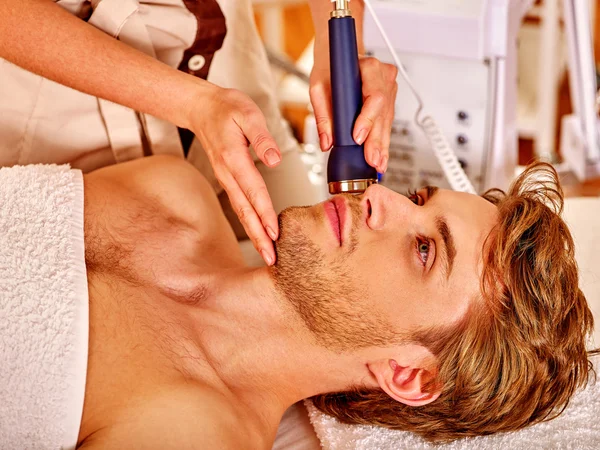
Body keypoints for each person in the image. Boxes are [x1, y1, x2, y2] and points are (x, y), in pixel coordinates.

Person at [76, 154, 595, 447]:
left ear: (408, 374)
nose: (378, 196)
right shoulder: (171, 192)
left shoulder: (190, 436)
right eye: (416, 199)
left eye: (424, 250)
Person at [0, 0, 397, 267]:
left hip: (243, 108)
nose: (385, 204)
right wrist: (193, 104)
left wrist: (340, 49)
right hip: (74, 113)